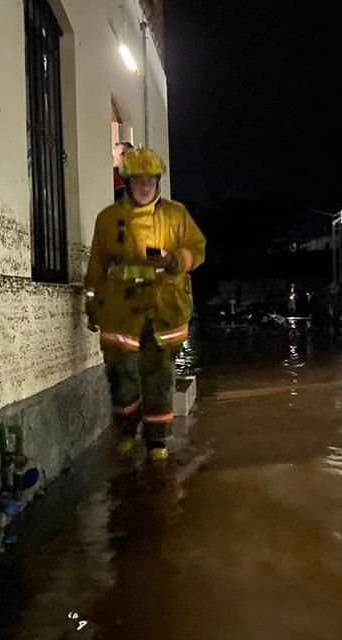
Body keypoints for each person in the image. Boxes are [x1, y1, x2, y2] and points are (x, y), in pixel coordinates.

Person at [84, 148, 206, 461]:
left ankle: (156, 442)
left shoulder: (176, 214)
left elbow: (198, 248)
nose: (146, 185)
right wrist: (92, 306)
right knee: (121, 375)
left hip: (163, 311)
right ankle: (127, 428)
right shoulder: (109, 220)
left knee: (159, 378)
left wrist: (175, 260)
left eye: (151, 179)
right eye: (139, 179)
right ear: (127, 182)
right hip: (120, 312)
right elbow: (96, 267)